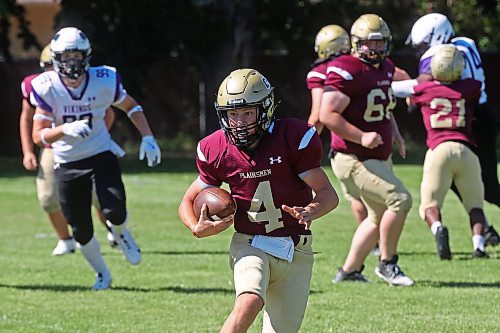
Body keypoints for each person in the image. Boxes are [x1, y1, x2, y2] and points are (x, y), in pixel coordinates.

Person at [178, 68, 338, 332]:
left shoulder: (292, 138)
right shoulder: (217, 149)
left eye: (247, 112)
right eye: (233, 114)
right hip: (251, 243)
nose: (239, 121)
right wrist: (196, 227)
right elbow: (188, 201)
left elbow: (328, 195)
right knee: (249, 300)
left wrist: (311, 210)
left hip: (296, 249)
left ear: (265, 109)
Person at [31, 27, 161, 290]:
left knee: (115, 208)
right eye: (65, 56)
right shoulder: (46, 86)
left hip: (100, 153)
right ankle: (103, 274)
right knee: (80, 228)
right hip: (67, 162)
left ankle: (122, 233)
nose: (71, 62)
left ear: (86, 56)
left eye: (76, 56)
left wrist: (147, 136)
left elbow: (131, 106)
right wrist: (63, 130)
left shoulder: (104, 78)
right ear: (55, 59)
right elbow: (38, 136)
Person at [319, 14, 414, 286]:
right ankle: (387, 263)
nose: (374, 49)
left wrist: (393, 132)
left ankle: (349, 271)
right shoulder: (348, 69)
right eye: (368, 43)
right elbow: (328, 114)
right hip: (353, 156)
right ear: (355, 44)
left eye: (379, 42)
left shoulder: (384, 67)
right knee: (400, 200)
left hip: (376, 156)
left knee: (378, 215)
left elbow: (382, 108)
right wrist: (361, 136)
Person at [393, 13, 500, 247]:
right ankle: (486, 230)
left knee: (485, 187)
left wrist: (386, 86)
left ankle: (484, 229)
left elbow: (423, 84)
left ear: (435, 37)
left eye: (423, 44)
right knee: (462, 177)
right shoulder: (467, 43)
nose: (422, 50)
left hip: (463, 121)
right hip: (482, 115)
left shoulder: (437, 54)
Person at [20, 45, 119, 255]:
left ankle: (114, 229)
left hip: (87, 147)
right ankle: (65, 239)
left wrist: (99, 138)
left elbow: (107, 113)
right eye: (48, 65)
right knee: (48, 197)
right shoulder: (38, 86)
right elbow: (27, 118)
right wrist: (28, 151)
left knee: (97, 194)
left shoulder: (86, 83)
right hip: (53, 146)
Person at [411, 45, 489, 258]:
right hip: (466, 150)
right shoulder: (471, 87)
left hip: (438, 149)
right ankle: (479, 246)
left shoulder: (424, 89)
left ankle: (438, 228)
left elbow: (409, 93)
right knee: (475, 205)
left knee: (429, 205)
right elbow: (475, 88)